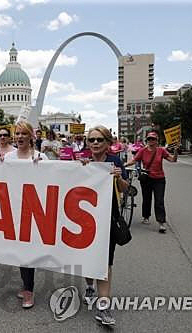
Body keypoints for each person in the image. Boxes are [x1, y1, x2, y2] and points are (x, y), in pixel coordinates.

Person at [80, 125, 128, 326]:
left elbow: (125, 188)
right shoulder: (83, 162)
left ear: (108, 143)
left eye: (99, 140)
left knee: (105, 261)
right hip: (82, 218)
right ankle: (89, 285)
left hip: (108, 217)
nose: (95, 143)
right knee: (87, 258)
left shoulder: (115, 161)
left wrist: (118, 177)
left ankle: (103, 306)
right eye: (92, 140)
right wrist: (78, 169)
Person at [3, 120, 48, 308]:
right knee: (20, 251)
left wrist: (42, 168)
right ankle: (26, 284)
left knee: (29, 250)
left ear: (31, 137)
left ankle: (29, 290)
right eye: (18, 133)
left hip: (34, 211)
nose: (20, 137)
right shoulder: (8, 157)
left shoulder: (41, 157)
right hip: (14, 209)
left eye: (24, 134)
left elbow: (52, 181)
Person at [125, 131, 178, 233]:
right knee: (147, 199)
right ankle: (146, 216)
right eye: (149, 139)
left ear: (157, 141)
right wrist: (124, 165)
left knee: (159, 200)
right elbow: (134, 160)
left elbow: (173, 160)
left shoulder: (161, 151)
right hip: (147, 178)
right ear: (147, 140)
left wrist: (175, 152)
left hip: (159, 179)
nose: (151, 141)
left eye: (153, 139)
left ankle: (161, 222)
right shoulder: (142, 151)